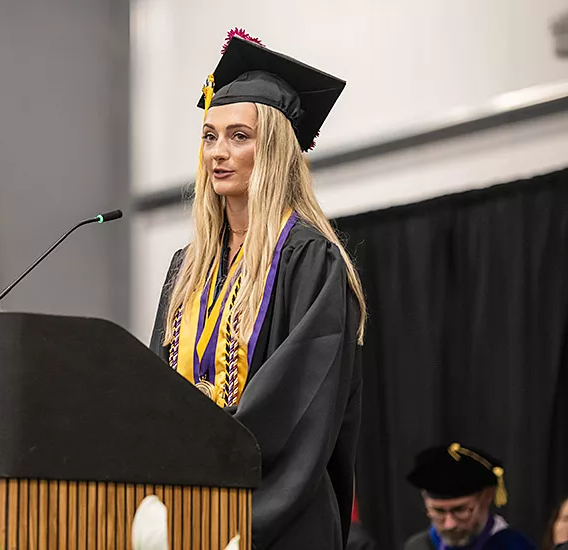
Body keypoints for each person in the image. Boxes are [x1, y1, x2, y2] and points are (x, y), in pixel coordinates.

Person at [149, 29, 366, 550]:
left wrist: (220, 492)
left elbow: (298, 404)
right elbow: (153, 387)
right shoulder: (187, 269)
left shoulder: (310, 260)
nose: (218, 153)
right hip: (189, 512)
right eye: (209, 136)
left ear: (271, 149)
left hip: (275, 520)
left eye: (238, 136)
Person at [404, 443, 536, 550]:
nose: (450, 525)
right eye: (439, 511)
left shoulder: (513, 546)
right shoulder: (418, 546)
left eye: (460, 510)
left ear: (487, 496)